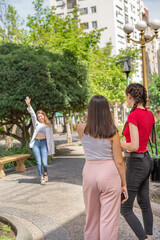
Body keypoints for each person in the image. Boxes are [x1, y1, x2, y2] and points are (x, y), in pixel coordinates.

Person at [77, 95, 128, 240]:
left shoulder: (81, 129)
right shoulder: (112, 132)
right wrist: (124, 184)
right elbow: (119, 162)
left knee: (91, 217)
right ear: (106, 110)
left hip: (89, 173)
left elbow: (88, 140)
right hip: (109, 175)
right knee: (109, 220)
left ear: (90, 110)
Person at [121, 83, 154, 240]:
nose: (126, 101)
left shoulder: (133, 115)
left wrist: (117, 143)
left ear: (130, 96)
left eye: (126, 98)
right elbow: (148, 140)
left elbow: (133, 145)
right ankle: (149, 236)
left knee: (125, 208)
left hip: (136, 164)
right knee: (144, 203)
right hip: (147, 161)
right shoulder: (149, 114)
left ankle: (144, 238)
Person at [25, 96, 55, 185]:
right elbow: (32, 114)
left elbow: (51, 139)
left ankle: (45, 173)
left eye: (41, 116)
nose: (39, 118)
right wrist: (29, 104)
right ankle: (41, 177)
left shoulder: (49, 126)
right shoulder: (36, 123)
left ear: (44, 116)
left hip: (44, 143)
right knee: (38, 162)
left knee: (45, 163)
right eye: (38, 117)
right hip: (36, 143)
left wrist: (52, 151)